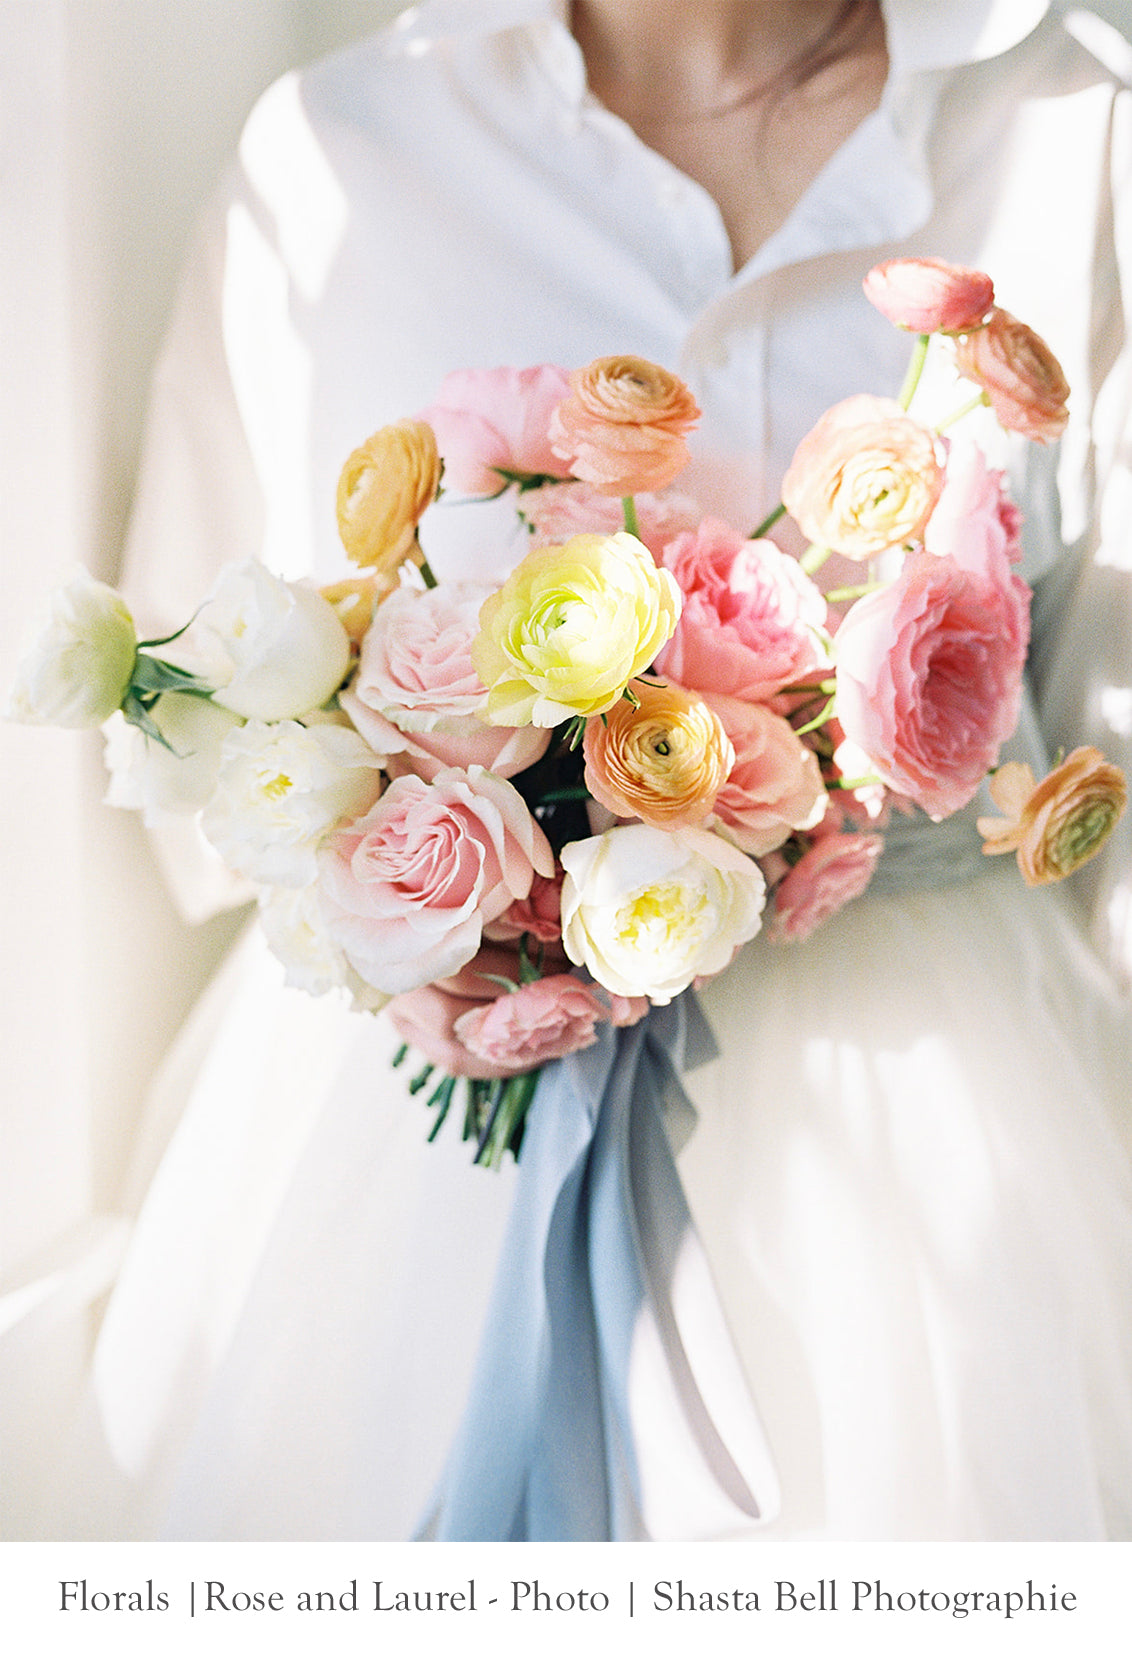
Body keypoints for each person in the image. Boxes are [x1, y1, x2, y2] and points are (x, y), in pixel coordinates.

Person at [67, 0, 1132, 1540]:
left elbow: (1109, 760)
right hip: (405, 1140)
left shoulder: (1078, 125)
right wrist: (431, 881)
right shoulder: (339, 151)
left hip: (951, 1119)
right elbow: (205, 720)